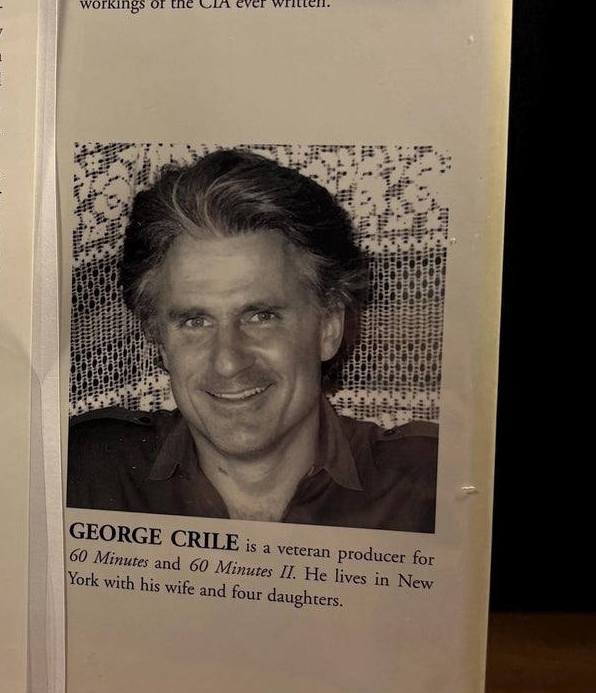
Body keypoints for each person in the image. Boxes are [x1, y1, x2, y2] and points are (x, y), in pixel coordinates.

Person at [67, 149, 437, 532]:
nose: (228, 361)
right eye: (195, 321)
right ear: (159, 340)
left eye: (261, 316)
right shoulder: (81, 473)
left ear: (328, 327)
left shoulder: (432, 485)